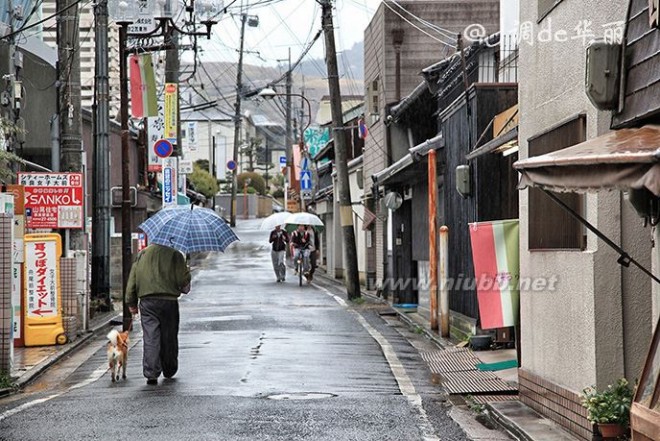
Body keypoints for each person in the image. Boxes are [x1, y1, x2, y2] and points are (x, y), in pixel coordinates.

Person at [126, 243, 191, 385]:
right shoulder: (176, 254)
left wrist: (131, 303)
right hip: (169, 301)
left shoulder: (142, 254)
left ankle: (151, 373)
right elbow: (182, 281)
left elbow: (133, 280)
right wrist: (187, 271)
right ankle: (169, 369)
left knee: (150, 337)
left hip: (147, 301)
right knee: (169, 336)